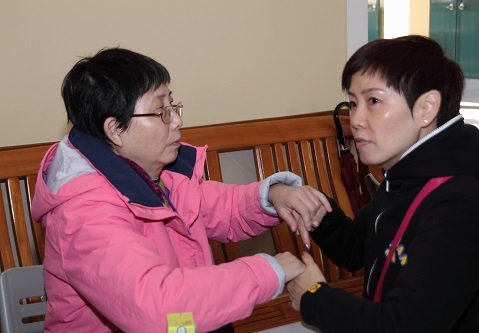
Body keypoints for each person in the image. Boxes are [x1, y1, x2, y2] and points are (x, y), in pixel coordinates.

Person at [30, 47, 332, 333]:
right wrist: (268, 272)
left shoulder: (153, 171)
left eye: (172, 105)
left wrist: (273, 195)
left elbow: (220, 208)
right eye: (161, 111)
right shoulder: (84, 211)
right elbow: (158, 309)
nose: (177, 120)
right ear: (115, 130)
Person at [287, 35, 479, 332]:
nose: (356, 119)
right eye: (352, 103)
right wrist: (318, 212)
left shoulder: (458, 203)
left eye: (373, 101)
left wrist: (315, 299)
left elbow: (406, 325)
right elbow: (359, 248)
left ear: (426, 109)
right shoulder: (405, 177)